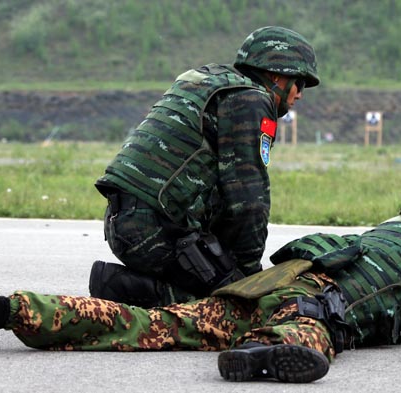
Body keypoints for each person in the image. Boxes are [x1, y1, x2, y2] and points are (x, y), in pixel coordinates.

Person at [0, 166, 401, 384]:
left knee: (151, 324)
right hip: (310, 307)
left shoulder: (392, 227)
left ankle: (5, 308)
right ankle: (267, 358)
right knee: (315, 332)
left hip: (269, 286)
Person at [89, 26, 320, 307]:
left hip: (124, 221)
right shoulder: (251, 99)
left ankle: (133, 282)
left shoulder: (204, 79)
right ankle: (119, 286)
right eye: (300, 82)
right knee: (231, 305)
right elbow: (249, 199)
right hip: (152, 232)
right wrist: (248, 278)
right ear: (276, 75)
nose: (300, 94)